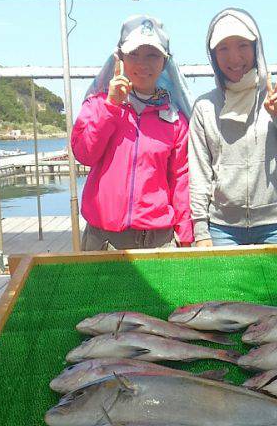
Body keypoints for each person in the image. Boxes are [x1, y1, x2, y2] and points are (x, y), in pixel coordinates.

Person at [188, 8, 277, 247]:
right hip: (223, 229)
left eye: (243, 45)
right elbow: (199, 174)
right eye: (223, 48)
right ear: (213, 55)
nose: (234, 58)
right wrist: (201, 230)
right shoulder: (205, 107)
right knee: (226, 286)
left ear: (257, 48)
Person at [71, 15, 194, 250]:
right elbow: (84, 154)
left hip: (159, 241)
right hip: (103, 240)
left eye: (152, 55)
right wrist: (111, 106)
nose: (142, 64)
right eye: (134, 54)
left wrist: (186, 237)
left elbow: (181, 180)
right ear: (119, 57)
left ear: (165, 62)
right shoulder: (98, 104)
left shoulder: (175, 118)